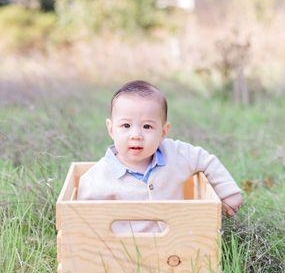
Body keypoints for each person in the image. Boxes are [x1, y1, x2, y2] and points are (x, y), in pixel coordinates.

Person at [77, 80, 243, 232]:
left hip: (176, 249)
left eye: (147, 126)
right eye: (126, 125)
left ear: (163, 132)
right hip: (124, 253)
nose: (136, 135)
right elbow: (83, 218)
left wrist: (228, 193)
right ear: (111, 129)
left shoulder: (175, 153)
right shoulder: (97, 178)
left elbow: (205, 159)